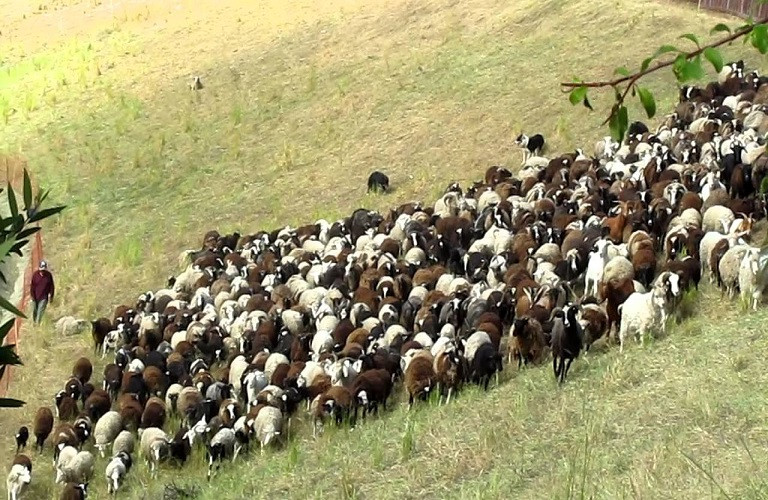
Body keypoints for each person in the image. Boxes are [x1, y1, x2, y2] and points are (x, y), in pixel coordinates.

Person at [30, 260, 54, 324]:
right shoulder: (35, 275)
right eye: (41, 270)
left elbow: (51, 286)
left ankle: (38, 324)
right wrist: (32, 296)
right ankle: (34, 323)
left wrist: (51, 296)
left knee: (40, 311)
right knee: (34, 310)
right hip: (35, 297)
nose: (42, 272)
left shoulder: (49, 275)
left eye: (44, 270)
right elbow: (32, 286)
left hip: (44, 298)